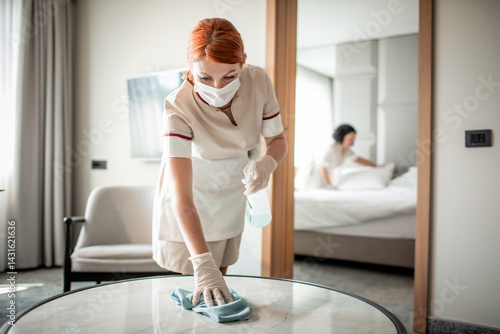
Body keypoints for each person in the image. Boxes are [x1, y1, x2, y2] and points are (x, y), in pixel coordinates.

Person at [152, 18, 287, 308]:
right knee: (192, 290)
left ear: (243, 64)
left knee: (219, 291)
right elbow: (181, 195)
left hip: (230, 193)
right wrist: (202, 263)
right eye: (205, 78)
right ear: (190, 65)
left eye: (229, 76)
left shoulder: (259, 81)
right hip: (190, 200)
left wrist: (267, 164)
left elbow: (278, 142)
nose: (217, 87)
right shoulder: (177, 106)